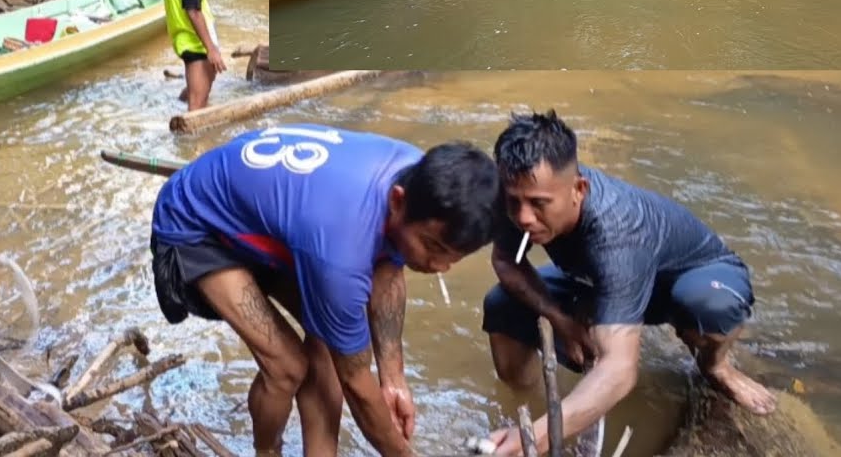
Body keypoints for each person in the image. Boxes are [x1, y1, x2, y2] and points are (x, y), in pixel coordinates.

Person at [150, 124, 501, 457]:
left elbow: (388, 269)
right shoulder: (341, 252)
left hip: (275, 223)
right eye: (432, 247)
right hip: (196, 226)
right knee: (288, 365)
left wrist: (393, 379)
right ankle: (267, 451)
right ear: (397, 200)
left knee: (325, 348)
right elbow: (357, 385)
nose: (439, 266)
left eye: (453, 258)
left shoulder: (418, 173)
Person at [479, 111, 777, 456]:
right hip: (598, 278)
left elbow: (620, 370)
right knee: (501, 304)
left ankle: (715, 367)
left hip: (684, 278)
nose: (524, 217)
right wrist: (562, 322)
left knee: (708, 305)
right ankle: (527, 399)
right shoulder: (518, 194)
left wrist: (537, 437)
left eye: (539, 205)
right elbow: (506, 261)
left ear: (579, 190)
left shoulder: (617, 231)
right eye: (514, 202)